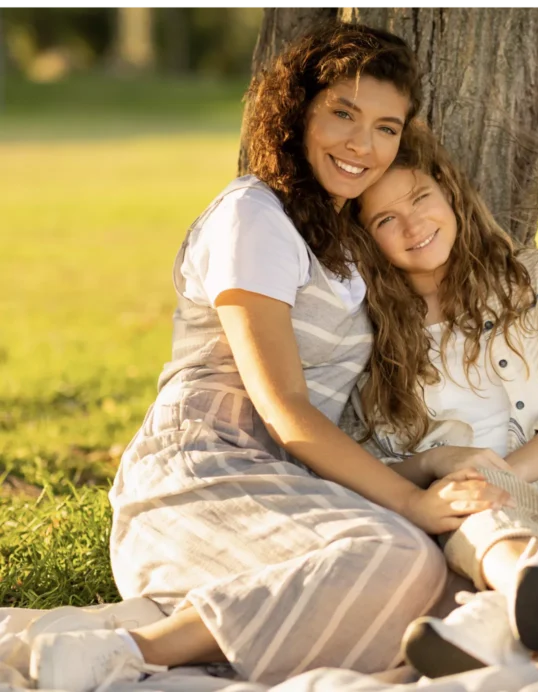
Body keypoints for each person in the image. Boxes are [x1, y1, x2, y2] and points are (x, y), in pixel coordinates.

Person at [29, 23, 512, 692]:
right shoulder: (255, 217)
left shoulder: (342, 238)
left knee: (437, 576)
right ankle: (129, 650)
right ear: (297, 111)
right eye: (342, 113)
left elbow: (297, 436)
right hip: (196, 478)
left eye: (385, 127)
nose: (361, 145)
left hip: (278, 482)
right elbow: (283, 411)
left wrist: (425, 466)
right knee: (401, 556)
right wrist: (411, 500)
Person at [344, 125, 538, 677]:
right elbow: (367, 461)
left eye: (420, 199)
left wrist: (502, 478)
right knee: (479, 516)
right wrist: (437, 465)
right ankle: (531, 614)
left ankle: (488, 620)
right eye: (385, 220)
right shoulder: (368, 337)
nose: (413, 226)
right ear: (365, 239)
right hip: (462, 501)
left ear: (450, 194)